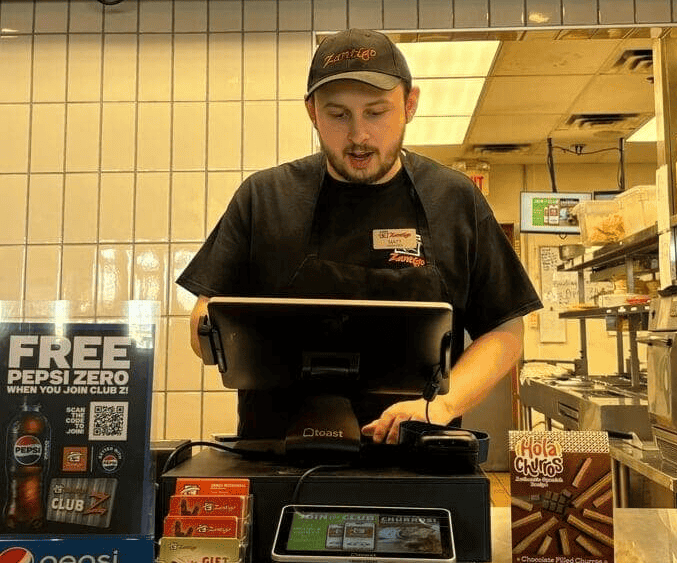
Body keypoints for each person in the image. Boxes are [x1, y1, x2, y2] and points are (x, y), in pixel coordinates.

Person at [177, 28, 542, 445]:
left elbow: (505, 331)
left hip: (415, 455)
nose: (358, 136)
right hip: (275, 456)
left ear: (410, 104)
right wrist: (211, 331)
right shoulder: (264, 197)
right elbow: (205, 316)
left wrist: (442, 405)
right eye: (338, 115)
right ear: (312, 112)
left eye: (376, 112)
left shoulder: (455, 199)